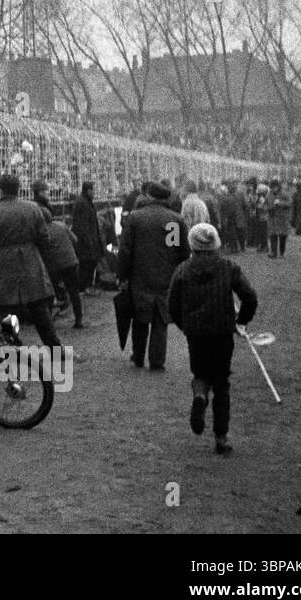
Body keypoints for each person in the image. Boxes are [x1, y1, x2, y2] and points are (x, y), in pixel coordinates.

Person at [168, 223, 258, 455]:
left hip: (196, 333)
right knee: (221, 382)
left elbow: (172, 304)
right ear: (216, 243)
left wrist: (185, 325)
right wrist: (240, 322)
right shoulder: (228, 267)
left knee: (200, 374)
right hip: (222, 331)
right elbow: (250, 297)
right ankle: (221, 436)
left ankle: (199, 395)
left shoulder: (182, 270)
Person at [0, 174, 61, 349]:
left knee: (5, 311)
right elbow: (45, 238)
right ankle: (55, 349)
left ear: (0, 189)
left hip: (4, 264)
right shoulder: (33, 209)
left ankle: (8, 349)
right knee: (40, 309)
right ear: (19, 188)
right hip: (31, 261)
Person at [117, 181, 189, 371]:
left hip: (139, 275)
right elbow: (177, 250)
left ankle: (138, 356)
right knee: (160, 319)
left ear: (149, 196)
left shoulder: (135, 218)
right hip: (166, 276)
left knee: (140, 318)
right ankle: (157, 361)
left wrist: (122, 275)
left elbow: (125, 250)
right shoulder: (174, 220)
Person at [42, 206, 83, 329]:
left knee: (49, 292)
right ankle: (79, 320)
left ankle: (48, 322)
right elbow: (75, 239)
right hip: (71, 262)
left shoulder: (42, 231)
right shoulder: (62, 225)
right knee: (74, 292)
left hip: (55, 266)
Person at [70, 180, 104, 293]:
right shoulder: (82, 203)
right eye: (94, 190)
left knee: (89, 266)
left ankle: (86, 288)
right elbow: (82, 226)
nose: (95, 193)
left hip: (90, 242)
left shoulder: (86, 202)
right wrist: (89, 242)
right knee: (86, 267)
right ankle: (83, 289)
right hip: (86, 244)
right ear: (89, 191)